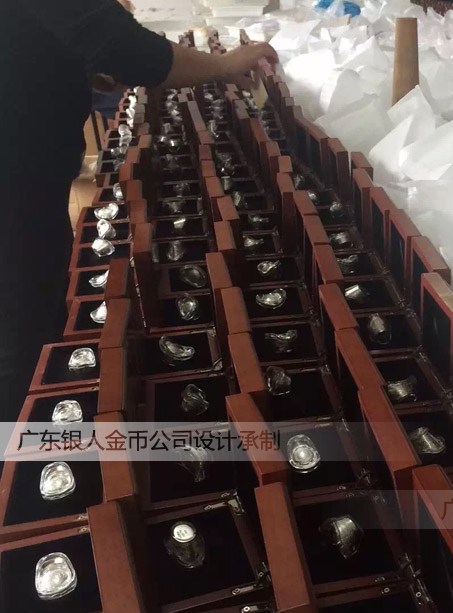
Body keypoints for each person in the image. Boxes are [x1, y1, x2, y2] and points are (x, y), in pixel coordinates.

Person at [0, 0, 278, 425]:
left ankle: (44, 407)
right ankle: (24, 443)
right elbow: (125, 47)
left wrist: (83, 58)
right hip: (17, 177)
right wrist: (222, 66)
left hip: (27, 170)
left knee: (38, 297)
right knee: (20, 321)